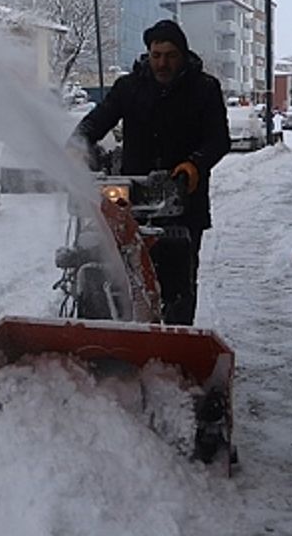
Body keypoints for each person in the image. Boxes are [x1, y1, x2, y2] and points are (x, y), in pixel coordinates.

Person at [69, 19, 231, 325]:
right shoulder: (129, 88)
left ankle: (175, 336)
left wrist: (194, 165)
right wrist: (77, 145)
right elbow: (98, 120)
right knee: (112, 261)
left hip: (182, 199)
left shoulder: (204, 89)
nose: (162, 63)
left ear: (183, 54)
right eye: (156, 55)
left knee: (177, 274)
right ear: (148, 54)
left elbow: (218, 140)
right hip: (130, 197)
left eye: (170, 55)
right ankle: (108, 327)